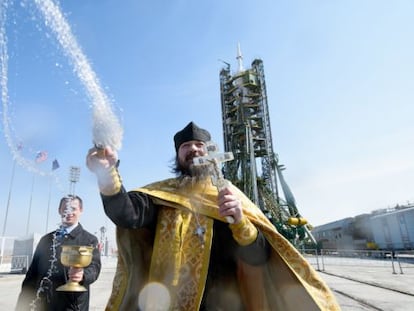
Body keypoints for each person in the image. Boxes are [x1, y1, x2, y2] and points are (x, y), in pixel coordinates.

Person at [86, 121, 340, 310]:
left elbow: (259, 257)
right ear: (178, 156)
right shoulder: (161, 195)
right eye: (186, 146)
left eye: (199, 145)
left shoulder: (233, 196)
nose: (194, 150)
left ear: (211, 153)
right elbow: (125, 214)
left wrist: (241, 221)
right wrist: (107, 173)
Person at [15, 195, 101, 311]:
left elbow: (94, 267)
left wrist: (83, 275)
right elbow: (32, 274)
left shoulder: (89, 240)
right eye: (65, 208)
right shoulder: (46, 240)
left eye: (73, 209)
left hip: (73, 305)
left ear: (81, 210)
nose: (69, 212)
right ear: (59, 210)